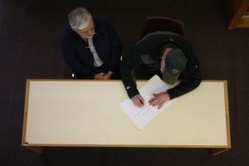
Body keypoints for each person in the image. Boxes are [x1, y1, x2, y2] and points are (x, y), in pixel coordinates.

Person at [121, 31, 202, 109]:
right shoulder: (144, 48)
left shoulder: (187, 50)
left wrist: (169, 94)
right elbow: (126, 66)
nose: (165, 78)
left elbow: (195, 79)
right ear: (163, 60)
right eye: (166, 73)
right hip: (148, 65)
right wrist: (133, 93)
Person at [61, 7, 122, 79]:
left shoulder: (103, 24)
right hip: (87, 74)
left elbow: (117, 47)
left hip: (111, 68)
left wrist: (111, 71)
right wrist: (93, 76)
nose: (90, 33)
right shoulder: (67, 38)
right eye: (85, 31)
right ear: (75, 30)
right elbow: (73, 63)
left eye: (92, 28)